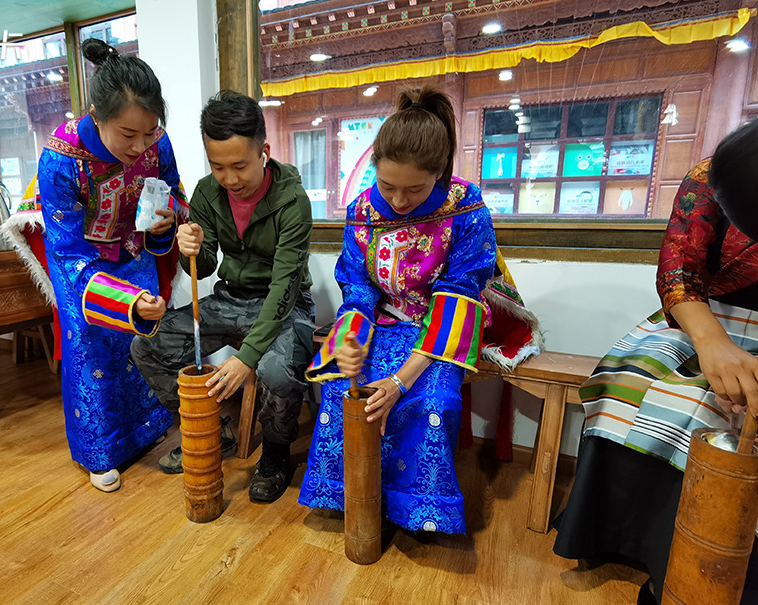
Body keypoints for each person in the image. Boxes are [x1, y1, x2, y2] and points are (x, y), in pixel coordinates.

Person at [552, 118, 758, 604]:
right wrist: (711, 343)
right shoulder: (711, 177)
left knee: (723, 411)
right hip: (703, 315)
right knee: (630, 383)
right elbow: (678, 268)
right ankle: (636, 541)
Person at [299, 86, 499, 534]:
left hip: (441, 328)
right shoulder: (363, 210)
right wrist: (346, 341)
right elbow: (358, 288)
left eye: (415, 189)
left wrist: (397, 381)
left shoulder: (464, 208)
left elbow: (460, 292)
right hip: (385, 320)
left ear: (440, 174)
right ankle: (351, 492)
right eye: (387, 185)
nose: (399, 201)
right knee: (340, 391)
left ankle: (416, 510)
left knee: (431, 401)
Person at [131, 90, 315, 503]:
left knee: (276, 371)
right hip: (230, 299)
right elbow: (206, 264)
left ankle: (277, 453)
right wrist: (189, 244)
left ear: (263, 151)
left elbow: (285, 288)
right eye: (218, 166)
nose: (230, 179)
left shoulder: (292, 201)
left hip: (284, 305)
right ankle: (212, 431)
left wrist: (246, 357)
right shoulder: (206, 194)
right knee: (147, 345)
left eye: (239, 165)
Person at [37, 39, 187, 492]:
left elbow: (175, 193)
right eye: (127, 135)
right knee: (95, 350)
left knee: (141, 346)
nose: (141, 145)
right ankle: (99, 451)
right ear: (95, 115)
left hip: (135, 254)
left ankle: (147, 430)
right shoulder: (60, 161)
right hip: (83, 270)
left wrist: (167, 220)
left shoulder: (157, 143)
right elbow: (64, 250)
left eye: (149, 132)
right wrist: (122, 299)